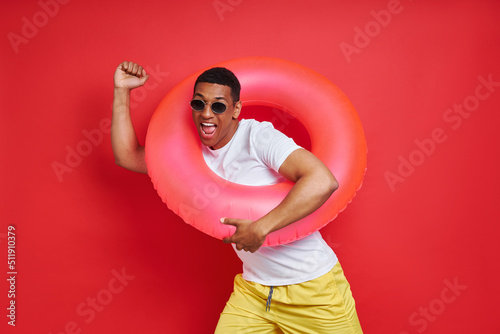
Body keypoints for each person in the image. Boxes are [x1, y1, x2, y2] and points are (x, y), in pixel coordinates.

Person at [112, 61, 363, 333]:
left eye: (218, 106)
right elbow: (128, 156)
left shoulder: (258, 137)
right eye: (199, 104)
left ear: (236, 110)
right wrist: (121, 91)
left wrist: (261, 228)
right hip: (254, 291)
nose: (207, 114)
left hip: (312, 288)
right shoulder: (188, 153)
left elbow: (323, 180)